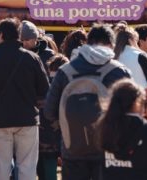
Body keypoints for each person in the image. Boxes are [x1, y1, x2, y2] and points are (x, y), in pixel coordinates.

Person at [44, 24, 130, 180]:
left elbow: (49, 111)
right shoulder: (118, 71)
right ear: (111, 44)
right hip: (109, 149)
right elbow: (131, 110)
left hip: (73, 148)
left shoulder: (66, 71)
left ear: (88, 42)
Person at [0, 18, 49, 180]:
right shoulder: (31, 58)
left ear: (0, 35)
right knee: (27, 165)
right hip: (27, 118)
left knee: (1, 165)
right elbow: (44, 89)